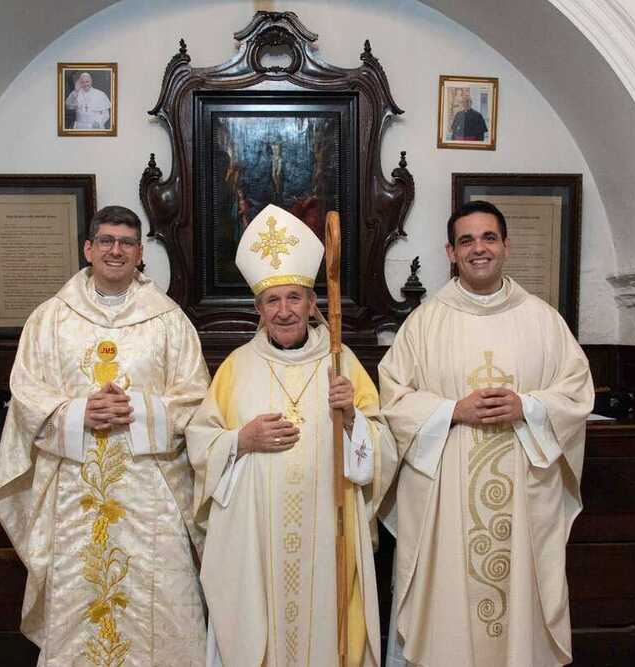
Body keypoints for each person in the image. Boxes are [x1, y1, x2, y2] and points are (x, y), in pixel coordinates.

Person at [0, 206, 210, 665]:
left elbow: (195, 398)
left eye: (127, 242)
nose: (116, 250)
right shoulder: (50, 319)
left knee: (162, 598)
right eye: (106, 241)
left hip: (151, 489)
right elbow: (26, 392)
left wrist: (136, 410)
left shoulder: (168, 320)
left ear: (140, 253)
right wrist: (78, 412)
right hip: (73, 488)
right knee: (77, 598)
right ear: (88, 249)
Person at [379, 200, 594, 666]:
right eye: (467, 241)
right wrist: (450, 411)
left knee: (519, 606)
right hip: (446, 497)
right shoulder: (425, 322)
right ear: (451, 253)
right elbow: (392, 401)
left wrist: (529, 406)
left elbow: (576, 393)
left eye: (488, 238)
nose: (479, 249)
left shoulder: (543, 319)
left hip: (524, 494)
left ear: (505, 246)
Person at [187, 204, 398, 666]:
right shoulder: (236, 369)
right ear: (258, 309)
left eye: (294, 298)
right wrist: (240, 439)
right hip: (254, 541)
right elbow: (200, 445)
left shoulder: (343, 365)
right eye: (272, 301)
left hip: (330, 535)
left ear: (312, 303)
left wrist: (352, 419)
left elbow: (383, 449)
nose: (284, 312)